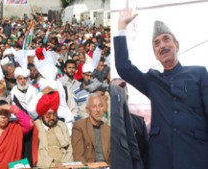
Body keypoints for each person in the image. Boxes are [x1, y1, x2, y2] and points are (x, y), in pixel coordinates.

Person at [114, 8, 208, 169]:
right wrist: (121, 27)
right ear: (155, 54)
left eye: (166, 39)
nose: (162, 45)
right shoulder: (152, 80)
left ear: (176, 45)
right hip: (162, 158)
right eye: (157, 43)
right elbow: (123, 67)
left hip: (196, 154)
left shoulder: (198, 73)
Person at [34, 91, 73, 168]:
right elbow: (36, 155)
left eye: (54, 114)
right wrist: (53, 165)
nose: (52, 117)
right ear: (42, 114)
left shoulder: (61, 125)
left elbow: (69, 150)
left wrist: (65, 165)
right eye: (48, 114)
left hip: (64, 165)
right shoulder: (35, 127)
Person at [71, 93, 110, 165]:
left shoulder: (108, 129)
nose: (98, 110)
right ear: (88, 110)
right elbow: (78, 157)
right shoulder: (79, 127)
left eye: (100, 106)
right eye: (94, 106)